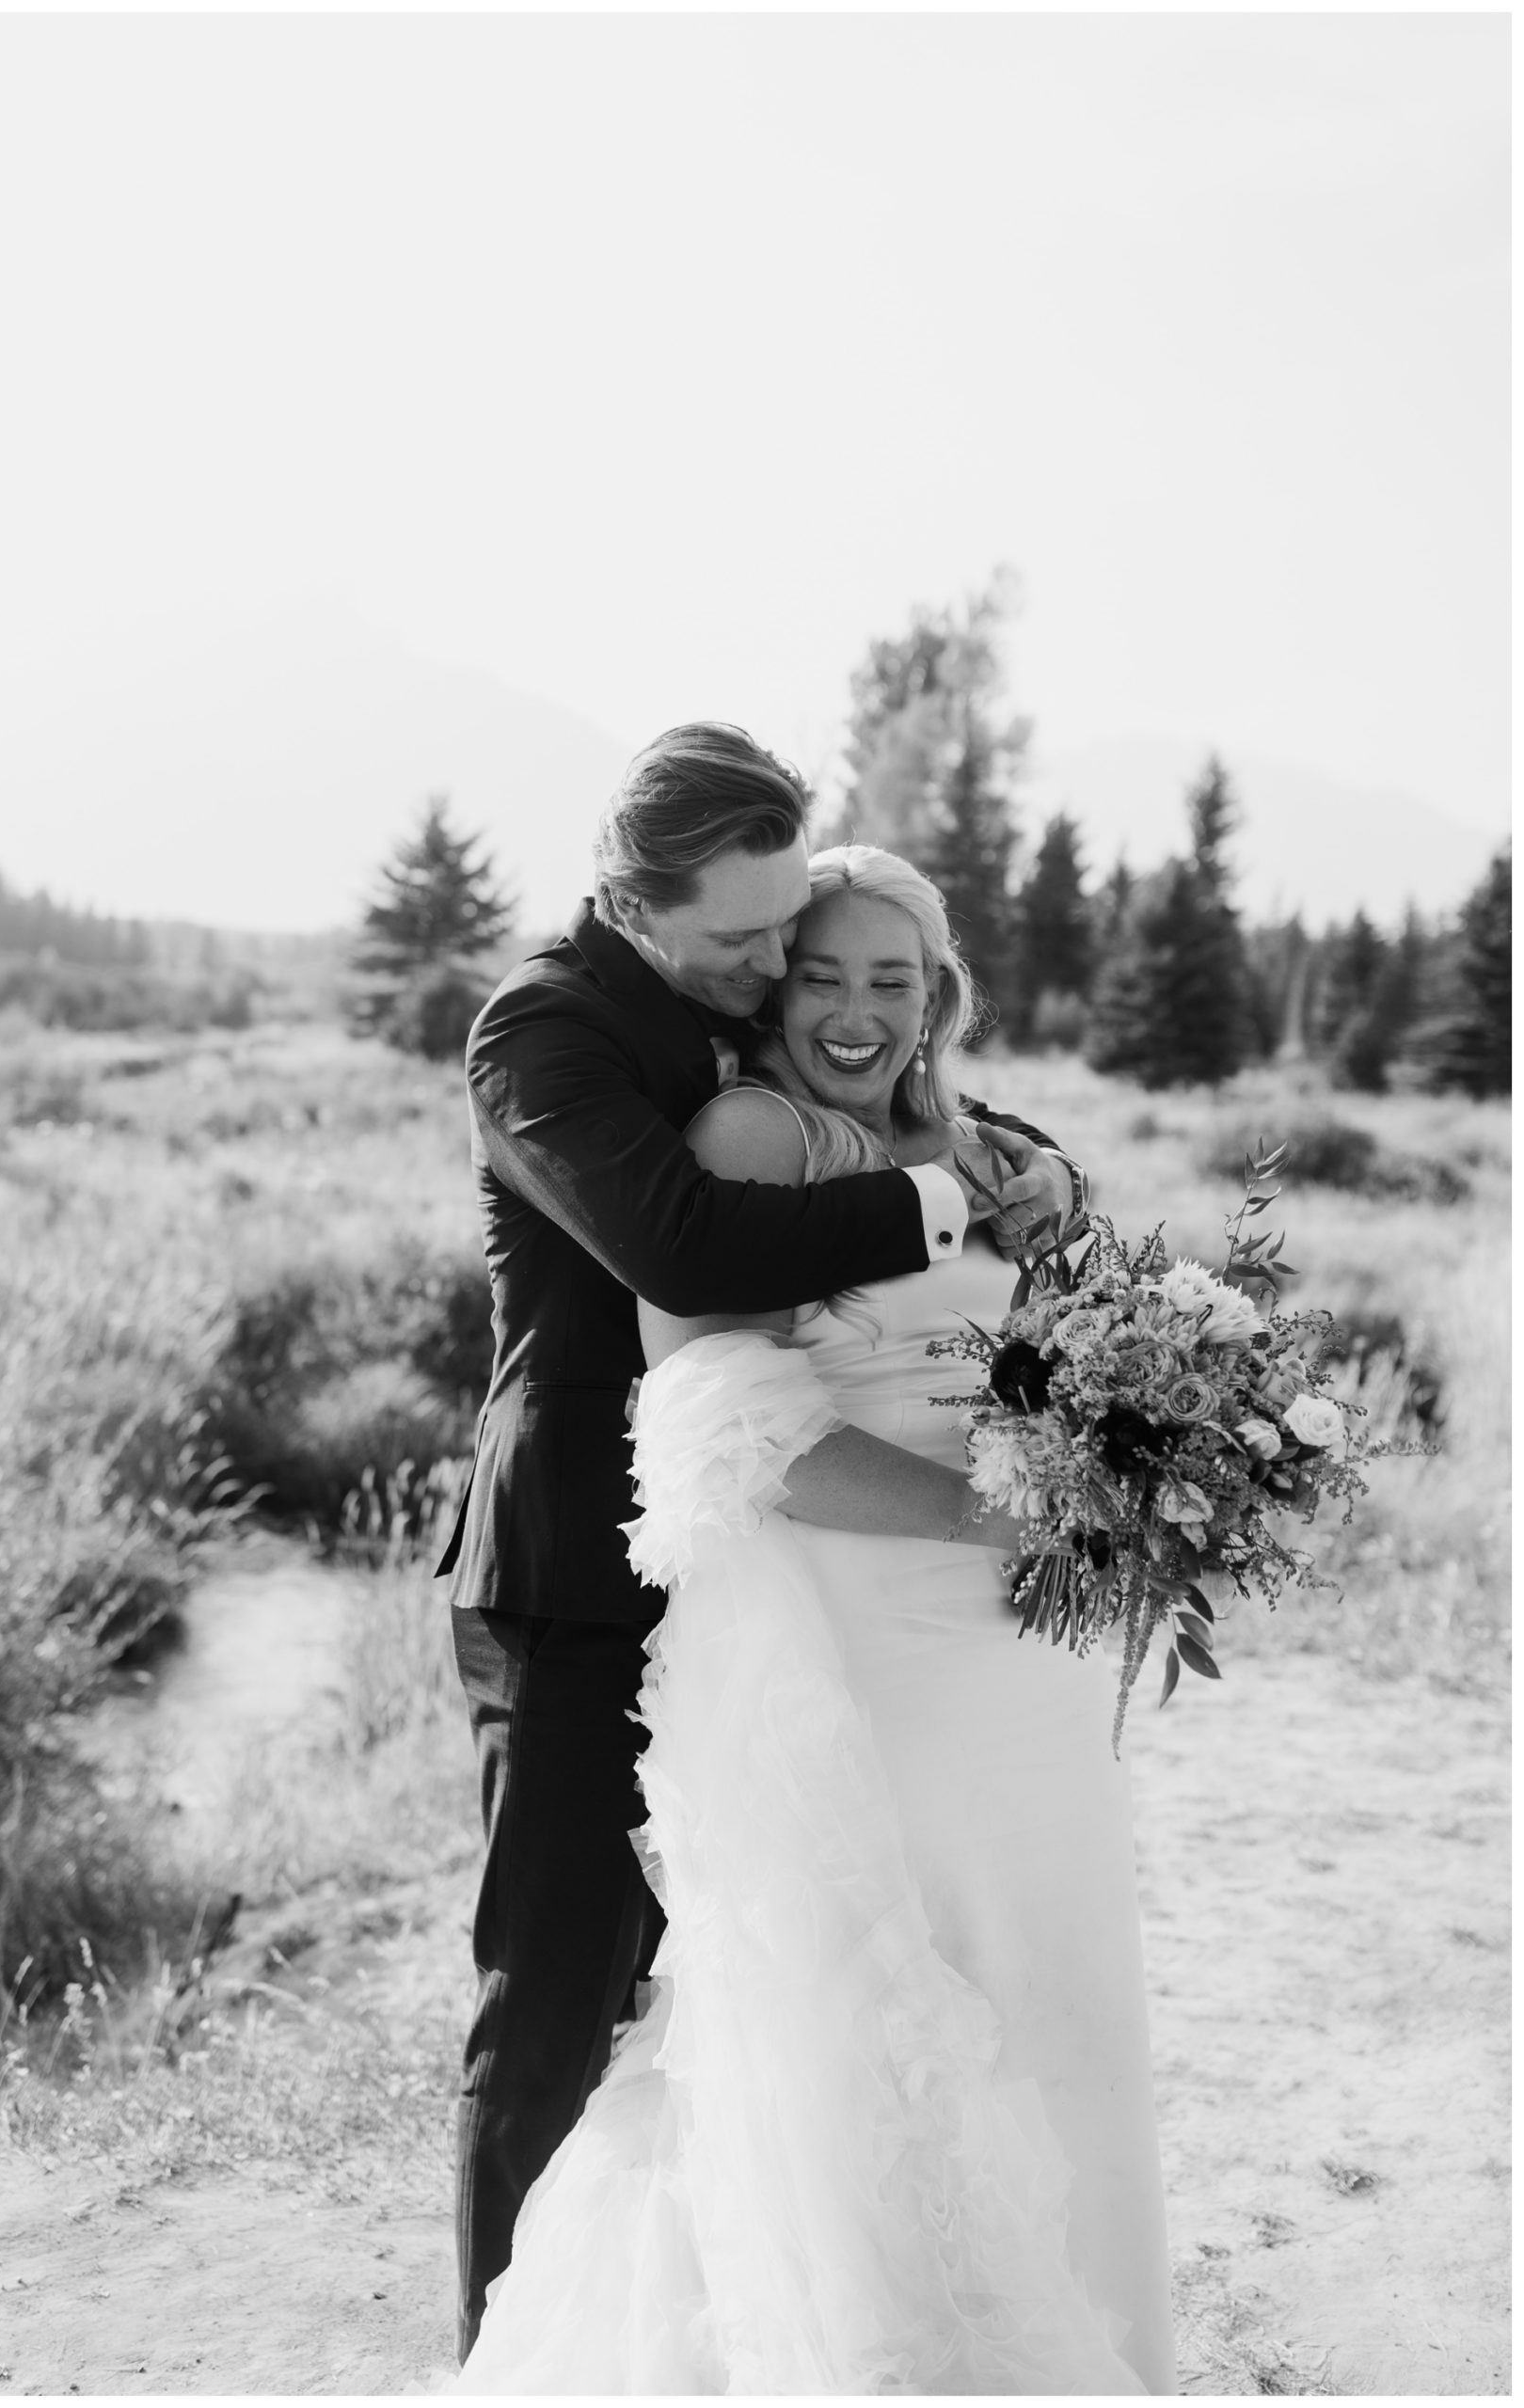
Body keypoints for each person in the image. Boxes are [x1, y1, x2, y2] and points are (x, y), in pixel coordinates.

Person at [448, 842, 1175, 2394]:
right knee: (842, 2008)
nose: (852, 1007)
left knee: (1039, 1986)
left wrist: (1134, 1457)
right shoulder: (742, 1132)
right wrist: (1001, 1513)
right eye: (819, 971)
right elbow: (736, 1423)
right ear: (773, 981)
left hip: (1011, 1651)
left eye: (891, 979)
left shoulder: (978, 1147)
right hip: (856, 1632)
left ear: (940, 997)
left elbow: (1033, 1334)